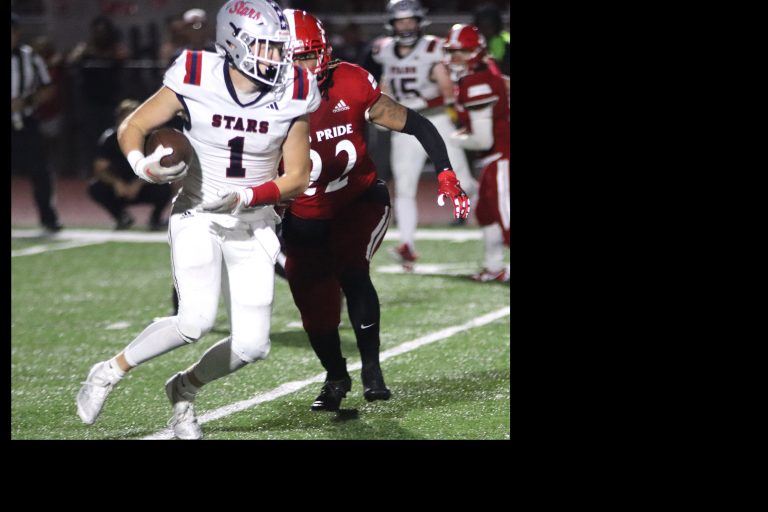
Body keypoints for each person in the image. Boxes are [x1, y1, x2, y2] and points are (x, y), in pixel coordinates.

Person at [76, 0, 320, 440]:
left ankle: (184, 390)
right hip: (198, 213)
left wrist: (248, 195)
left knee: (253, 347)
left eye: (279, 47)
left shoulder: (296, 87)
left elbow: (298, 175)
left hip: (253, 220)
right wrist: (141, 166)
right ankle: (108, 371)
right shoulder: (194, 72)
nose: (276, 58)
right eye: (265, 47)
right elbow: (134, 126)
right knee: (194, 321)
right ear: (234, 42)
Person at [281, 9, 469, 411]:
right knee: (315, 312)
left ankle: (371, 369)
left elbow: (416, 122)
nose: (303, 67)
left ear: (324, 53)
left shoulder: (350, 80)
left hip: (358, 200)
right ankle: (336, 376)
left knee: (352, 269)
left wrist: (445, 170)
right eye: (293, 58)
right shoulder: (260, 100)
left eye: (309, 56)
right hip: (304, 214)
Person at [372, 0, 477, 270]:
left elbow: (448, 92)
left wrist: (417, 103)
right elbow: (385, 84)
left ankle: (494, 220)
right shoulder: (384, 50)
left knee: (463, 181)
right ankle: (407, 245)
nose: (406, 26)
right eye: (401, 21)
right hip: (405, 125)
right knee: (404, 188)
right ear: (392, 24)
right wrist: (384, 107)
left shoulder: (433, 48)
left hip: (436, 120)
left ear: (420, 22)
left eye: (410, 20)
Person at [443, 24, 509, 282]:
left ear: (477, 52)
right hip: (496, 159)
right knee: (486, 213)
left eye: (463, 51)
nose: (456, 58)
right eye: (452, 51)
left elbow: (483, 140)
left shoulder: (476, 82)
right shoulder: (480, 73)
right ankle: (495, 268)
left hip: (502, 157)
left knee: (507, 220)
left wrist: (452, 140)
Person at [11, 13, 63, 233]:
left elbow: (49, 88)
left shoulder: (30, 57)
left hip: (26, 122)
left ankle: (48, 217)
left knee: (40, 171)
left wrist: (28, 101)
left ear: (17, 33)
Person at [87, 99, 173, 231]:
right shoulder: (110, 139)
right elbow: (99, 168)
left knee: (167, 185)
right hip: (118, 189)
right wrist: (116, 182)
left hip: (145, 186)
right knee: (95, 188)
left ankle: (156, 219)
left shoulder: (152, 138)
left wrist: (139, 183)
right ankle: (121, 217)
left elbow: (160, 166)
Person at [474, 4, 510, 76]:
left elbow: (500, 70)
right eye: (483, 26)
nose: (486, 30)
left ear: (496, 25)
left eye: (489, 25)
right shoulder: (475, 42)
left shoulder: (503, 42)